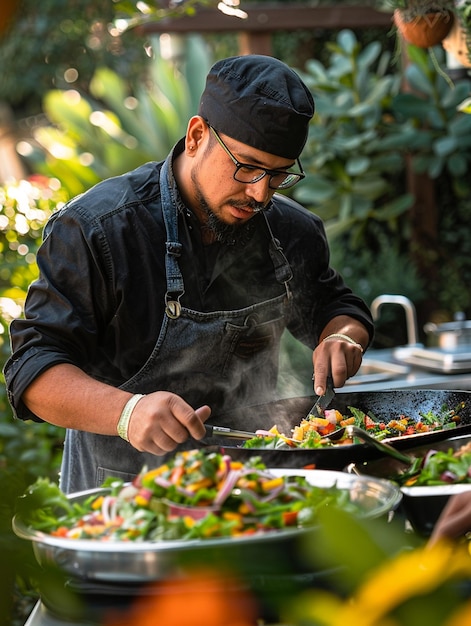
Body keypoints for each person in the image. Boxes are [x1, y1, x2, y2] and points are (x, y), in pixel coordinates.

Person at [4, 54, 374, 493]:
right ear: (197, 135)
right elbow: (33, 367)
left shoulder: (292, 232)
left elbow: (337, 306)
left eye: (277, 177)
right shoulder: (99, 229)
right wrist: (128, 412)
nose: (259, 193)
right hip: (119, 498)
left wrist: (342, 336)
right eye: (247, 166)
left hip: (255, 490)